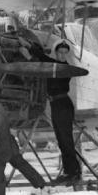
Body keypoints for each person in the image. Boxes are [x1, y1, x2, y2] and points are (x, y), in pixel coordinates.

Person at [23, 38, 82, 185]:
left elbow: (44, 63)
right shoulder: (54, 64)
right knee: (62, 141)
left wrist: (29, 53)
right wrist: (27, 45)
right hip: (57, 105)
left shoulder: (63, 67)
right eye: (60, 52)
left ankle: (74, 172)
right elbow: (42, 57)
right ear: (56, 52)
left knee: (66, 141)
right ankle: (70, 172)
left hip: (62, 105)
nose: (62, 54)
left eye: (65, 52)